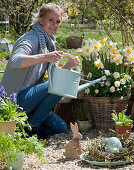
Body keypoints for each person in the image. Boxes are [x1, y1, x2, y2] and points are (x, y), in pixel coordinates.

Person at [0, 3, 80, 138]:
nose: (55, 25)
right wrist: (45, 57)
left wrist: (69, 65)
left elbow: (56, 76)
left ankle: (23, 127)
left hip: (32, 102)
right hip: (13, 102)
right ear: (41, 20)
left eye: (58, 22)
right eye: (51, 20)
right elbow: (14, 61)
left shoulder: (48, 42)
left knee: (60, 127)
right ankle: (32, 126)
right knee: (59, 85)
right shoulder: (30, 38)